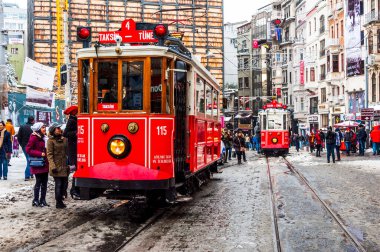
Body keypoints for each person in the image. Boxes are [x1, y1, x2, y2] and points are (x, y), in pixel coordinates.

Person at [26, 122, 49, 207]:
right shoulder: (34, 137)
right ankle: (35, 200)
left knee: (45, 183)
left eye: (45, 127)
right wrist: (40, 153)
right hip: (38, 164)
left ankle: (43, 200)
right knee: (38, 182)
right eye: (43, 127)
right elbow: (28, 150)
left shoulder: (45, 137)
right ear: (38, 129)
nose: (44, 129)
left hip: (45, 163)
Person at [47, 123, 69, 209]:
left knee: (65, 184)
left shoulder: (64, 139)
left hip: (64, 165)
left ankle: (61, 198)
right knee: (59, 184)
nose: (59, 129)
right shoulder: (50, 141)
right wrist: (53, 167)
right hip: (56, 166)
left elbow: (68, 151)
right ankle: (58, 202)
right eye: (57, 128)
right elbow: (49, 155)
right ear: (53, 130)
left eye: (59, 128)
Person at [63, 105, 80, 199]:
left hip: (74, 147)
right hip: (73, 149)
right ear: (75, 113)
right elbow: (65, 133)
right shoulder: (71, 121)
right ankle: (74, 189)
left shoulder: (74, 120)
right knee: (77, 170)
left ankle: (75, 189)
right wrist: (76, 133)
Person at [17, 116, 35, 181]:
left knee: (29, 159)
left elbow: (19, 137)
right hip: (32, 146)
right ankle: (27, 175)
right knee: (30, 160)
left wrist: (22, 145)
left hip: (24, 145)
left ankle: (31, 173)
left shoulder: (22, 126)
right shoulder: (34, 127)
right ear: (33, 120)